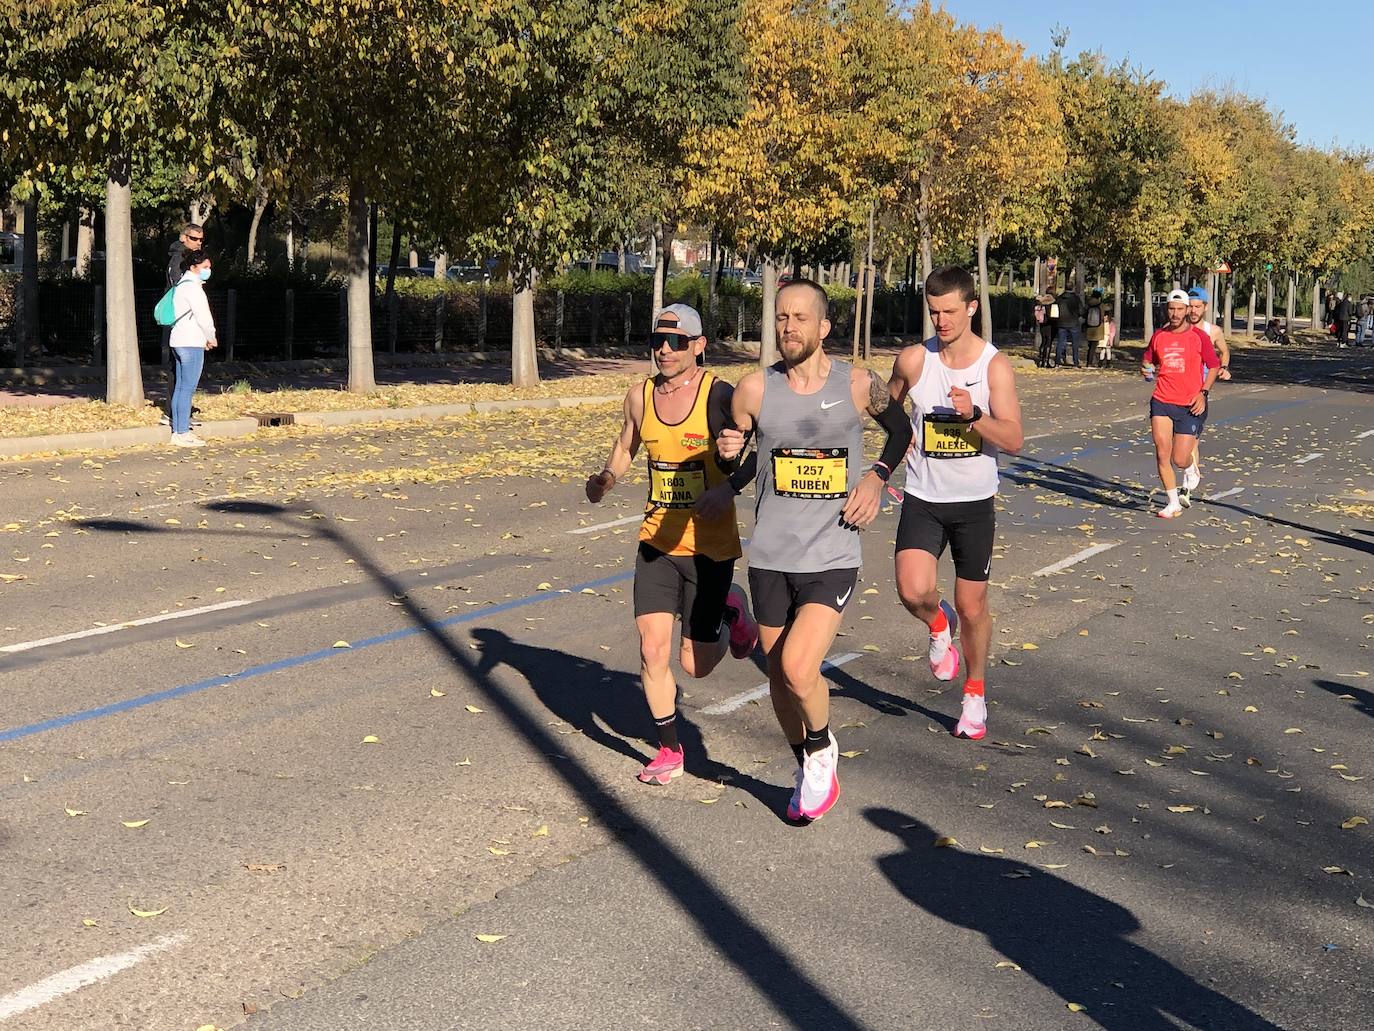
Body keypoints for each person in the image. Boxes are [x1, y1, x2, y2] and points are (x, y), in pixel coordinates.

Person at [716, 279, 913, 822]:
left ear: (824, 327)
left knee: (801, 668)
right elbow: (743, 469)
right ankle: (803, 760)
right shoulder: (752, 390)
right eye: (781, 317)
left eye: (800, 318)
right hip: (771, 556)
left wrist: (875, 477)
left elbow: (901, 431)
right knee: (779, 674)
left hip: (832, 552)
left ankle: (823, 749)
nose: (788, 328)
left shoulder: (857, 384)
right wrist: (730, 452)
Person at [584, 304, 759, 786]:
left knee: (695, 664)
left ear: (699, 345)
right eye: (658, 341)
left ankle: (731, 609)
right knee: (651, 650)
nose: (665, 349)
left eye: (677, 342)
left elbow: (757, 456)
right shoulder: (640, 395)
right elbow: (627, 443)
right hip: (656, 543)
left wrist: (727, 484)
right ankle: (669, 749)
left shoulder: (720, 395)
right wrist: (607, 478)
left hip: (709, 548)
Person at [885, 266, 1023, 742]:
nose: (940, 321)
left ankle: (974, 693)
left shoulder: (993, 366)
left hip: (973, 502)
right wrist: (897, 439)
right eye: (933, 312)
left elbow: (1015, 438)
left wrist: (975, 416)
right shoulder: (913, 360)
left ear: (971, 307)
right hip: (924, 496)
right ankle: (935, 623)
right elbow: (889, 407)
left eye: (949, 311)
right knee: (912, 590)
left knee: (972, 604)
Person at [1141, 290, 1219, 519]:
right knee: (1162, 454)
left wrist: (1203, 393)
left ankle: (1190, 467)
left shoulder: (1199, 337)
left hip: (1189, 404)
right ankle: (1173, 502)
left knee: (1179, 458)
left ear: (1187, 311)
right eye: (1171, 309)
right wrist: (1146, 369)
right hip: (1162, 401)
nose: (1175, 314)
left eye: (1179, 309)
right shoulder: (1159, 336)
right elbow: (1148, 360)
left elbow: (1213, 366)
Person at [1181, 286, 1231, 506]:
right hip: (1178, 389)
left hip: (1199, 391)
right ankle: (1190, 475)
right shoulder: (1177, 329)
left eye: (1197, 306)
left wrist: (1224, 367)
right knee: (1177, 441)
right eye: (1190, 306)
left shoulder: (1213, 331)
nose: (1193, 310)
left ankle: (1185, 489)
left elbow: (1224, 351)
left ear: (1205, 307)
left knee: (1191, 441)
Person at [167, 249, 217, 448]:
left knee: (180, 388)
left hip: (177, 340)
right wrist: (211, 337)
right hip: (192, 342)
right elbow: (204, 317)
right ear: (194, 267)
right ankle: (182, 432)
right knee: (187, 389)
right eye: (205, 267)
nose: (208, 271)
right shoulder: (195, 289)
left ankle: (178, 430)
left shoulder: (181, 285)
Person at [161, 223, 204, 427]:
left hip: (185, 322)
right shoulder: (178, 260)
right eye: (194, 238)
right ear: (183, 238)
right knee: (179, 372)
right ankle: (175, 415)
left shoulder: (187, 258)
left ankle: (180, 414)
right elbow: (180, 289)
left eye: (200, 239)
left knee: (181, 372)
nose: (198, 243)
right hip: (180, 323)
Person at [1055, 283, 1082, 367]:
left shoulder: (1059, 298)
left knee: (1061, 342)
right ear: (1073, 288)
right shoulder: (1076, 299)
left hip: (1061, 322)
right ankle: (1075, 361)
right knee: (1075, 343)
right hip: (1073, 323)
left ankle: (1058, 360)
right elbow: (1081, 311)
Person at [1083, 288, 1106, 367]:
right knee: (1094, 346)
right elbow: (1102, 317)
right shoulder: (1100, 305)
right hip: (1097, 328)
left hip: (1089, 327)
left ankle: (1088, 362)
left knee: (1090, 346)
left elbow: (1084, 314)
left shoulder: (1088, 304)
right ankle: (1090, 362)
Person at [1033, 293, 1054, 368]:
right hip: (1049, 324)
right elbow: (1051, 316)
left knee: (1043, 341)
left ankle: (1041, 360)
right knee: (1048, 342)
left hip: (1042, 324)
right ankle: (1046, 361)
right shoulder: (1049, 306)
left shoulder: (1038, 306)